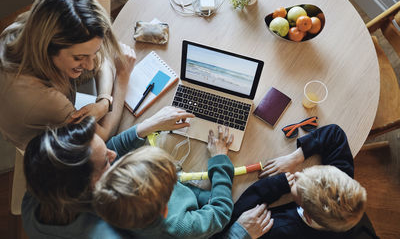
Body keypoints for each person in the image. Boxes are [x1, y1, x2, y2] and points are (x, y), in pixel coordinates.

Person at [22, 107, 194, 238]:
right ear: (88, 187)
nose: (114, 154)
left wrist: (147, 125)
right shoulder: (121, 220)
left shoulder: (41, 186)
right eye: (106, 162)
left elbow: (100, 152)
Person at [0, 0, 134, 150]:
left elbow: (101, 59)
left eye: (93, 53)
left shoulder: (28, 30)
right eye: (79, 57)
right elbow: (104, 134)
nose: (91, 64)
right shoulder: (45, 99)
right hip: (41, 145)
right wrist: (122, 77)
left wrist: (104, 101)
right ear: (49, 48)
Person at [220, 124, 376, 239]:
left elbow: (233, 219)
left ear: (307, 216)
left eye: (298, 187)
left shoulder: (280, 230)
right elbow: (335, 134)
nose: (297, 175)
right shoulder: (340, 186)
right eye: (306, 172)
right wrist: (294, 158)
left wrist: (276, 184)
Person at [93, 125, 237, 238]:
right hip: (204, 208)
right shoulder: (178, 227)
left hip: (193, 196)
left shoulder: (110, 200)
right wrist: (219, 159)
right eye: (171, 183)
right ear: (165, 210)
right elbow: (221, 212)